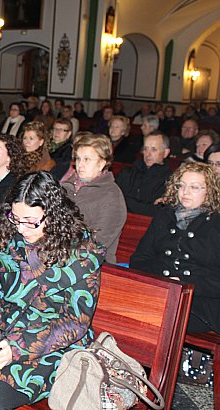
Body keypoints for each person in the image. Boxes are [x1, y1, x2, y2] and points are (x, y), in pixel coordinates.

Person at [0, 171, 105, 409]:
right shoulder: (11, 238)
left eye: (31, 221)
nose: (21, 228)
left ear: (53, 215)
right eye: (15, 218)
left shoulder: (81, 254)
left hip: (51, 341)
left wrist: (16, 348)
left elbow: (75, 323)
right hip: (5, 327)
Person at [131, 162, 220, 334]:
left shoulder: (216, 224)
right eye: (181, 186)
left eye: (194, 187)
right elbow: (140, 258)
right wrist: (161, 282)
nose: (185, 192)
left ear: (209, 191)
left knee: (160, 318)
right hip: (160, 293)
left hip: (200, 303)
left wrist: (185, 285)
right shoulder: (164, 216)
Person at [61, 133, 126, 263]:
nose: (80, 165)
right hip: (58, 254)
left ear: (102, 163)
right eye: (78, 159)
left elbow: (98, 242)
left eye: (87, 159)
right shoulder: (65, 186)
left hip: (91, 263)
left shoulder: (112, 195)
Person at [116, 131, 172, 216]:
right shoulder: (127, 172)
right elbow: (114, 199)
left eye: (154, 149)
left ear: (166, 153)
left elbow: (156, 211)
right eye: (145, 149)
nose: (148, 154)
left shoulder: (170, 179)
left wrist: (126, 201)